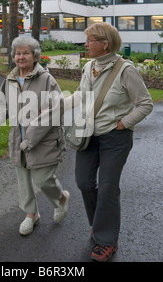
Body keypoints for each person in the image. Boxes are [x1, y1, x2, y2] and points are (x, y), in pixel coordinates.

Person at [65, 22, 153, 262]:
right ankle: (99, 224)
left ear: (105, 44)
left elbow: (145, 104)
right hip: (88, 135)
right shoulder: (89, 67)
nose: (86, 44)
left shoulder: (126, 70)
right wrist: (56, 105)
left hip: (116, 137)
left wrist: (123, 124)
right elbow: (81, 95)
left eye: (90, 40)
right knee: (83, 182)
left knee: (107, 187)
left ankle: (106, 240)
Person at [0, 35, 70, 236]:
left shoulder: (46, 79)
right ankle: (31, 214)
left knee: (43, 179)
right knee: (23, 180)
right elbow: (2, 104)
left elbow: (58, 108)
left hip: (45, 141)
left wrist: (36, 128)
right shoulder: (11, 79)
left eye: (25, 53)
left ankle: (60, 199)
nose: (21, 57)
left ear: (35, 56)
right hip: (19, 138)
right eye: (18, 53)